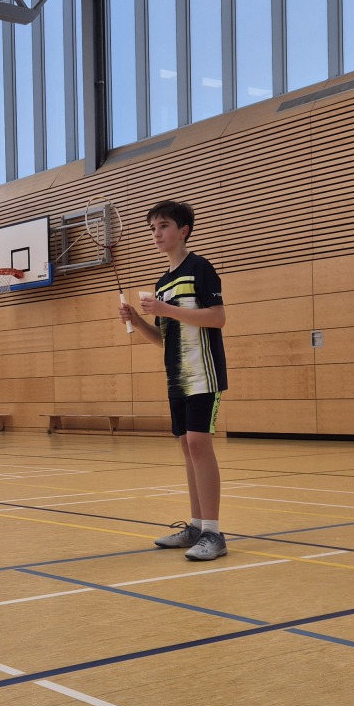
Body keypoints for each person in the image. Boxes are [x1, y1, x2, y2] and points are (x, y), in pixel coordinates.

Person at [120, 200, 229, 561]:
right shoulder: (163, 283)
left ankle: (213, 533)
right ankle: (196, 527)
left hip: (203, 371)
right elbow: (164, 338)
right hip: (177, 375)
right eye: (152, 229)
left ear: (183, 231)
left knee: (199, 443)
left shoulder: (200, 268)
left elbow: (217, 318)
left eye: (163, 226)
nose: (156, 234)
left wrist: (165, 309)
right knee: (187, 446)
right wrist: (137, 320)